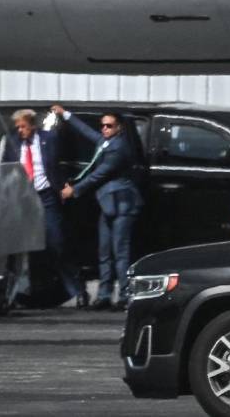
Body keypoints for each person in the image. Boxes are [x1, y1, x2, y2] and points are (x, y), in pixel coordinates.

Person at [53, 105, 143, 311]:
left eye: (109, 126)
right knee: (104, 252)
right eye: (102, 125)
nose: (104, 129)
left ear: (119, 127)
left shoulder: (119, 148)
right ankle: (103, 294)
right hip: (107, 203)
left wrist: (74, 190)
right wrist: (65, 114)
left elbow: (99, 174)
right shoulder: (105, 142)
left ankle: (124, 295)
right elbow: (86, 132)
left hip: (122, 204)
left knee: (120, 252)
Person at [2, 109, 88, 308]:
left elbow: (60, 164)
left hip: (46, 194)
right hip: (23, 197)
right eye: (18, 127)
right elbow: (7, 168)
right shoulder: (12, 142)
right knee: (20, 247)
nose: (20, 131)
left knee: (56, 242)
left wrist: (64, 184)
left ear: (32, 125)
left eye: (23, 126)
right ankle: (15, 294)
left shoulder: (50, 138)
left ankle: (77, 290)